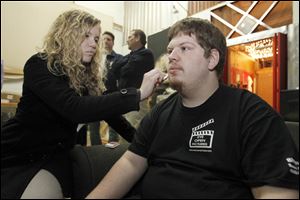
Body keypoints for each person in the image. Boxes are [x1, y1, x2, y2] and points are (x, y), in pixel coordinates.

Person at [86, 18, 299, 199]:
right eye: (170, 50)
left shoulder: (253, 114)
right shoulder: (160, 113)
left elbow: (277, 193)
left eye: (184, 48)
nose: (171, 56)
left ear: (212, 59)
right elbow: (131, 164)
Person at [1, 9, 165, 199]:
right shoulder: (40, 64)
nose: (93, 44)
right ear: (67, 34)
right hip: (19, 154)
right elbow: (75, 108)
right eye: (85, 35)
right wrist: (137, 94)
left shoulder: (86, 76)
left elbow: (112, 116)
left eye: (96, 39)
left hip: (57, 157)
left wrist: (141, 143)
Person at [113, 29, 155, 129]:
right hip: (124, 98)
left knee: (134, 129)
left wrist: (123, 65)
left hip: (137, 99)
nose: (127, 40)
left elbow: (125, 71)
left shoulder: (146, 54)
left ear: (137, 38)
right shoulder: (129, 56)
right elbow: (115, 69)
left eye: (129, 37)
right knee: (125, 130)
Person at [88, 31, 123, 145]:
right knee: (93, 125)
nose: (106, 41)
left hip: (112, 94)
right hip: (94, 94)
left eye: (109, 39)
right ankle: (95, 150)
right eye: (103, 39)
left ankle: (112, 150)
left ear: (113, 42)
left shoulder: (119, 58)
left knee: (114, 125)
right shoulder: (92, 57)